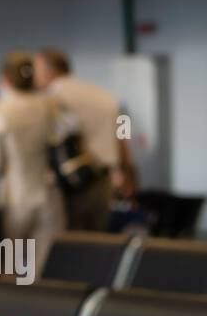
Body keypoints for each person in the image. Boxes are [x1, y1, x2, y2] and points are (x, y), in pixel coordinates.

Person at [33, 47, 135, 230]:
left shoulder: (50, 99)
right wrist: (127, 171)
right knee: (96, 240)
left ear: (48, 70)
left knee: (70, 242)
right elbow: (122, 134)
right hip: (105, 179)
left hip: (70, 182)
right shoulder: (104, 95)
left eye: (36, 69)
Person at [0, 49, 64, 253]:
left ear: (4, 78)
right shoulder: (48, 106)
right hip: (49, 196)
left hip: (15, 199)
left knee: (10, 267)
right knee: (44, 268)